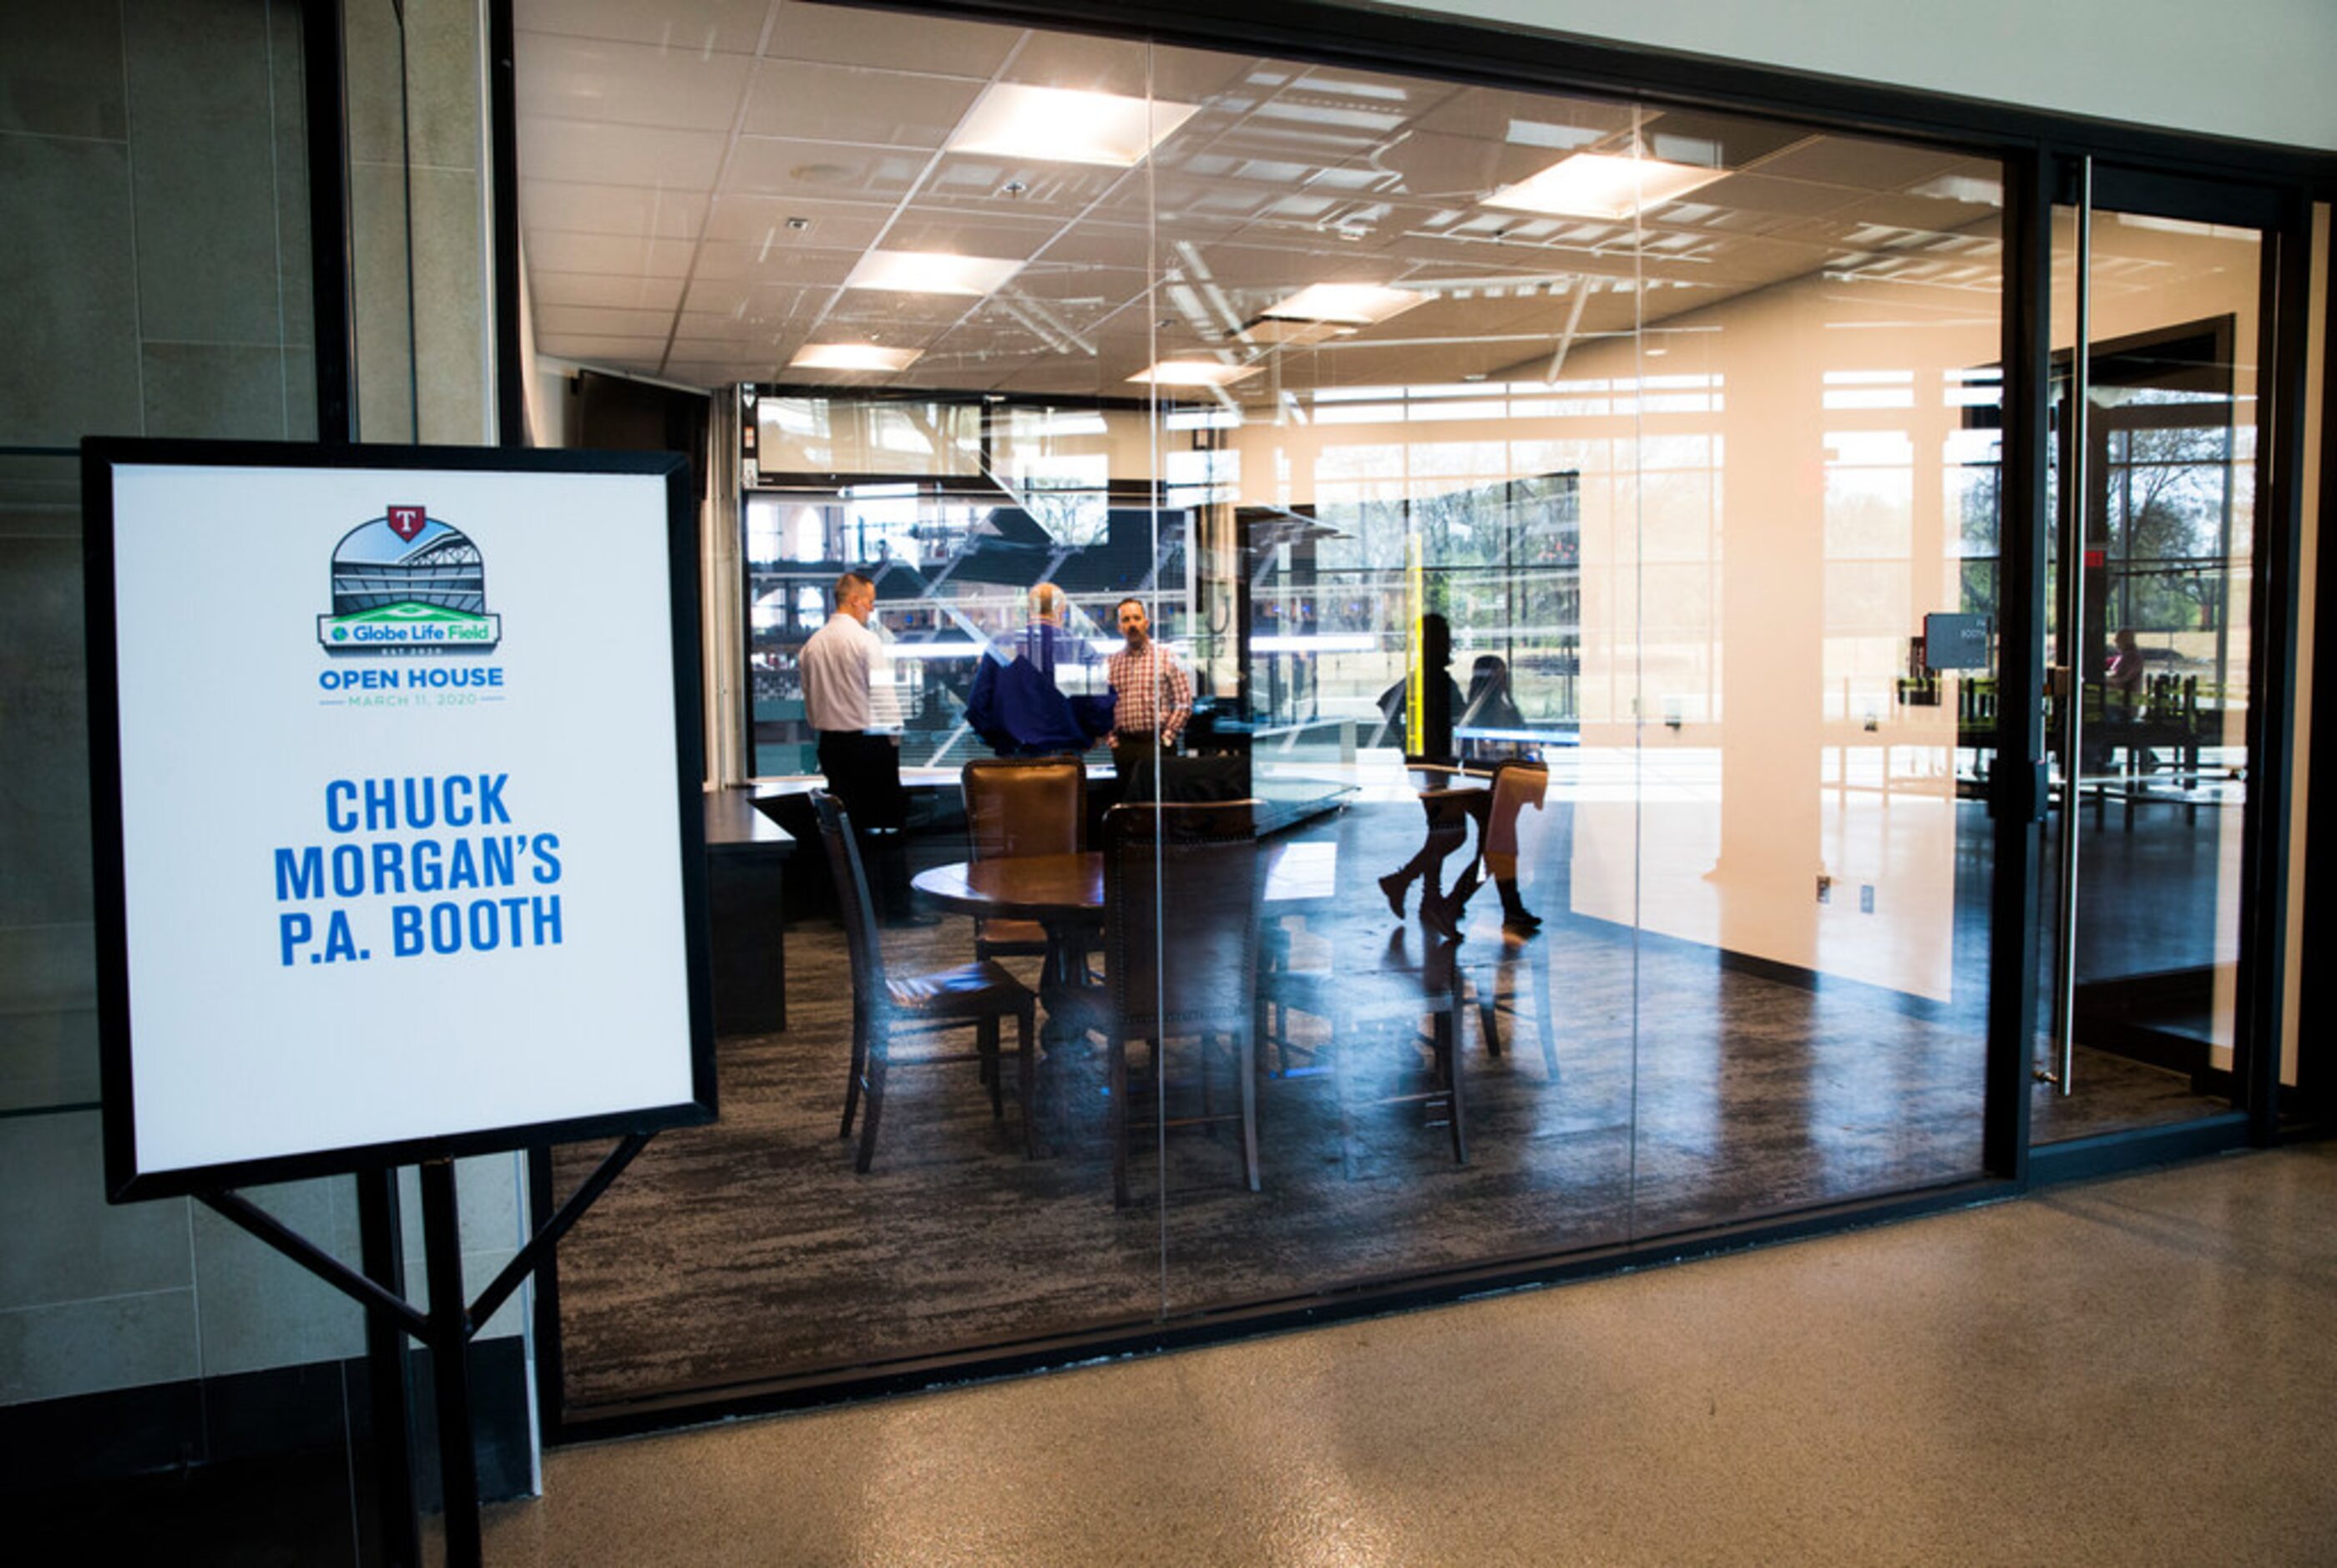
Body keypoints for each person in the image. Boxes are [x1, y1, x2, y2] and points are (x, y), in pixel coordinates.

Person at [802, 571, 929, 925]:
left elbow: (810, 703)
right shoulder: (865, 641)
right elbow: (884, 696)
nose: (872, 609)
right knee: (889, 828)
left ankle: (850, 911)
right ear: (855, 600)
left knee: (846, 831)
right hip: (870, 745)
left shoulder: (812, 644)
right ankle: (897, 909)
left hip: (831, 745)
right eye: (870, 601)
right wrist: (894, 740)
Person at [966, 583, 1110, 756]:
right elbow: (1098, 706)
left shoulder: (1001, 645)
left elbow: (977, 707)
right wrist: (1090, 737)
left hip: (1013, 757)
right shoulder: (1078, 648)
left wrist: (1000, 742)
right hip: (1064, 761)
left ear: (1029, 608)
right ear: (1062, 610)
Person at [1104, 596, 1191, 782]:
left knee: (1159, 806)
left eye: (1136, 618)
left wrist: (1167, 738)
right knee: (1129, 805)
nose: (1132, 624)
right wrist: (1113, 742)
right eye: (1126, 620)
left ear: (1146, 623)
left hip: (1158, 744)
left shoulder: (1168, 657)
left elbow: (1184, 702)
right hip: (1124, 748)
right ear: (1119, 627)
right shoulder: (1111, 663)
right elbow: (1104, 707)